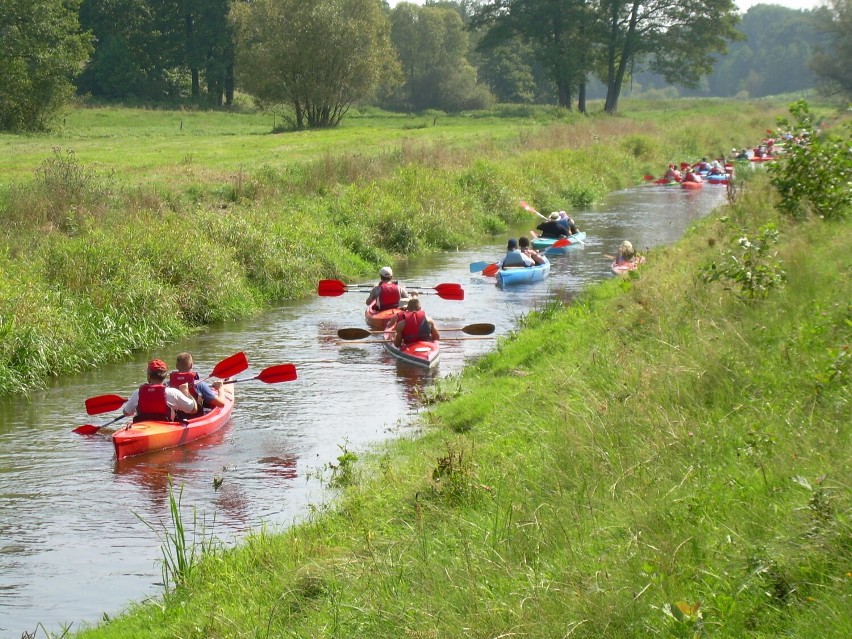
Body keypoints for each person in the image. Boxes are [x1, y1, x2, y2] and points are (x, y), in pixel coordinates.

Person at [121, 359, 197, 423]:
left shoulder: (138, 393)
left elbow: (126, 413)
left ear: (149, 375)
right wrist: (186, 391)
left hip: (142, 428)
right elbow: (193, 409)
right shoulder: (173, 393)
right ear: (164, 376)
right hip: (166, 429)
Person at [169, 352, 226, 419]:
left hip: (178, 419)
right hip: (196, 418)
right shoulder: (200, 385)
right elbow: (221, 404)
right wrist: (220, 388)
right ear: (191, 365)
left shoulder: (169, 384)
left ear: (176, 366)